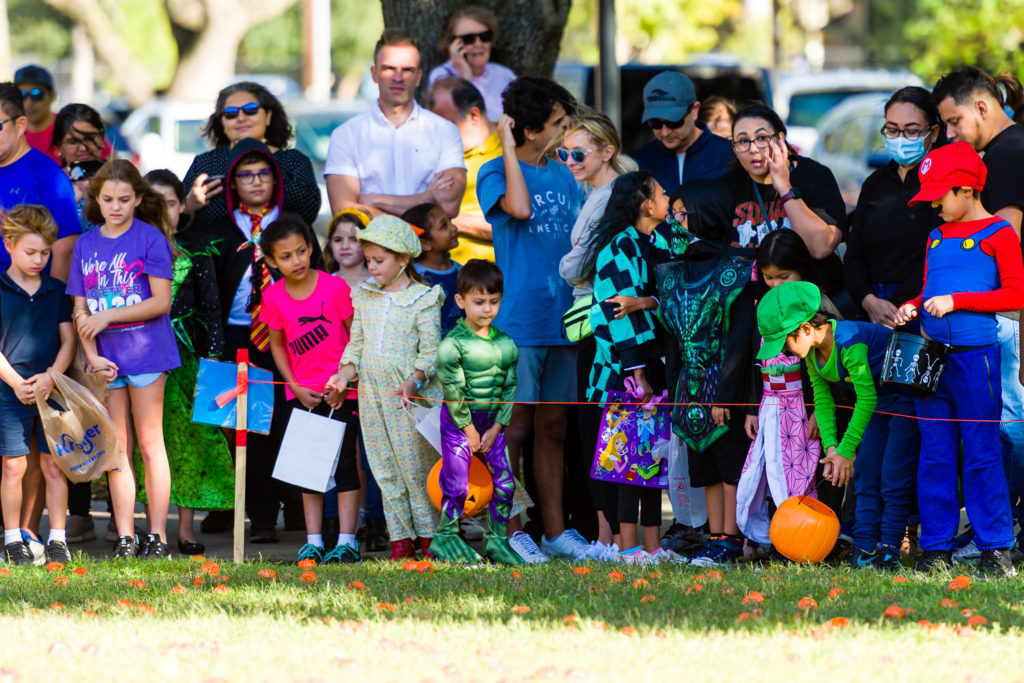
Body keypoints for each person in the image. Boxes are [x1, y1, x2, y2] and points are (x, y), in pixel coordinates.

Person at [895, 141, 1024, 576]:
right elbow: (932, 290)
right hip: (930, 359)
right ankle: (936, 547)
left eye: (939, 196)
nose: (934, 205)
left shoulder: (999, 234)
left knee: (983, 452)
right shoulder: (935, 235)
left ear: (967, 189)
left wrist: (958, 302)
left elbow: (1015, 295)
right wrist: (915, 304)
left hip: (976, 360)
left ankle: (995, 546)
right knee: (935, 454)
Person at [477, 76, 591, 563]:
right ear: (526, 130)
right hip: (519, 322)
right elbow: (519, 209)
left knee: (554, 427)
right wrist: (506, 144)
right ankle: (510, 529)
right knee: (513, 428)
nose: (567, 134)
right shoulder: (492, 173)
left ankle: (554, 530)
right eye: (557, 125)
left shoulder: (568, 173)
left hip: (565, 318)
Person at [200, 137, 324, 543]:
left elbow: (316, 278)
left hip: (290, 339)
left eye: (264, 173)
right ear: (232, 183)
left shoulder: (291, 227)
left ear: (276, 179)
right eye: (246, 175)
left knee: (291, 421)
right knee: (243, 428)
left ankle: (294, 505)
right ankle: (260, 516)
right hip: (236, 335)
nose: (256, 182)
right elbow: (208, 289)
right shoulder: (218, 231)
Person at [66, 159, 181, 559]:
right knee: (118, 450)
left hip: (147, 354)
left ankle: (158, 537)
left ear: (137, 199)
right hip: (106, 362)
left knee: (151, 446)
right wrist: (93, 356)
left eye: (124, 199)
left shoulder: (150, 238)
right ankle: (127, 535)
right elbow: (80, 310)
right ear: (96, 199)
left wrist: (109, 315)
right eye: (108, 199)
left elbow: (161, 301)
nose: (116, 207)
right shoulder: (85, 244)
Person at [932, 67, 1024, 554]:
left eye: (953, 122)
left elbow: (1000, 245)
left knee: (1002, 434)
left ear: (983, 108)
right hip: (988, 323)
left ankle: (1001, 535)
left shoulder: (1007, 156)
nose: (949, 134)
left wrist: (956, 298)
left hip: (997, 324)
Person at [328, 215, 443, 561]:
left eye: (379, 261)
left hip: (408, 397)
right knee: (382, 466)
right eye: (369, 261)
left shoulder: (423, 298)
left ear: (404, 259)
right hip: (371, 395)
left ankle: (429, 538)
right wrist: (344, 376)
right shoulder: (365, 296)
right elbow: (356, 345)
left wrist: (415, 379)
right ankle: (401, 540)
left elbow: (431, 350)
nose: (371, 268)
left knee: (414, 468)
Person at [131, 169, 233, 556]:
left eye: (171, 204)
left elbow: (212, 313)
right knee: (145, 445)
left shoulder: (197, 252)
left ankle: (184, 528)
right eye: (155, 204)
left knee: (188, 445)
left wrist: (213, 367)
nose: (163, 212)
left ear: (183, 207)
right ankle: (145, 525)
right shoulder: (132, 255)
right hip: (140, 360)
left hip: (187, 365)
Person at [655, 179, 756, 567]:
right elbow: (670, 341)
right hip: (687, 388)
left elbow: (739, 345)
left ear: (704, 216)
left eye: (682, 214)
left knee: (730, 465)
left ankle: (731, 537)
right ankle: (715, 535)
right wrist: (675, 392)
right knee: (705, 466)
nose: (674, 223)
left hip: (722, 391)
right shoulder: (670, 274)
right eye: (672, 214)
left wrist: (726, 397)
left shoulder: (735, 271)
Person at [555, 109, 636, 558]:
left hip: (602, 326)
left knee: (603, 426)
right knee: (605, 426)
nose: (570, 159)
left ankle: (610, 537)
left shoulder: (609, 198)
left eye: (579, 152)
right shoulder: (605, 192)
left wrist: (569, 267)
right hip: (604, 321)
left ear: (608, 151)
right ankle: (608, 534)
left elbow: (578, 265)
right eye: (565, 152)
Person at [581, 172, 673, 564]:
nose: (668, 196)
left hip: (654, 360)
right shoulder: (617, 247)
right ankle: (626, 545)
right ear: (645, 203)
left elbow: (674, 287)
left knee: (652, 453)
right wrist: (636, 371)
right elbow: (618, 310)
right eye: (662, 191)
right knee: (625, 458)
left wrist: (648, 302)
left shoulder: (660, 238)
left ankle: (653, 546)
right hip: (621, 368)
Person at [260, 215, 362, 565]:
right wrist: (294, 386)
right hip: (302, 396)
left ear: (311, 248)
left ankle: (347, 542)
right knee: (309, 470)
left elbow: (355, 336)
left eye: (302, 251)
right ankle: (314, 541)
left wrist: (346, 380)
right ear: (271, 261)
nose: (296, 261)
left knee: (347, 466)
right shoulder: (273, 297)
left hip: (343, 393)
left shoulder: (335, 289)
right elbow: (277, 343)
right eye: (286, 256)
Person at [431, 259, 523, 564]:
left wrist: (497, 427)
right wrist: (469, 430)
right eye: (479, 302)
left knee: (506, 483)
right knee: (457, 484)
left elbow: (509, 388)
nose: (487, 309)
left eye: (494, 302)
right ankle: (446, 537)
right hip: (459, 424)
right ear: (461, 301)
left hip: (492, 425)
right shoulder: (452, 345)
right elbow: (453, 391)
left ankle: (496, 539)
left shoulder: (507, 344)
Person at [736, 230, 822, 551]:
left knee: (801, 474)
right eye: (770, 278)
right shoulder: (761, 306)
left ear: (801, 268)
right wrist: (749, 407)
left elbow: (819, 366)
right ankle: (769, 538)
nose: (776, 285)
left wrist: (816, 409)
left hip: (802, 408)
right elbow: (750, 359)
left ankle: (803, 542)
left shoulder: (813, 307)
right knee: (767, 472)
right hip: (770, 405)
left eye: (784, 276)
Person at [0, 205, 75, 565]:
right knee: (13, 465)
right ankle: (13, 538)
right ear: (9, 244)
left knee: (53, 466)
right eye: (31, 252)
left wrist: (51, 377)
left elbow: (68, 341)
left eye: (46, 252)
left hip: (52, 390)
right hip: (9, 390)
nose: (39, 259)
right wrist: (15, 383)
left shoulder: (55, 290)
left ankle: (58, 538)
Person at [325, 29, 466, 219]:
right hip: (371, 249)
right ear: (374, 74)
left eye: (407, 70)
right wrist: (428, 198)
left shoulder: (445, 131)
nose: (398, 77)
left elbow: (448, 206)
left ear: (418, 77)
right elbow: (344, 211)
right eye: (389, 68)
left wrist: (375, 200)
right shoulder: (346, 135)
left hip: (430, 249)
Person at [721, 103, 846, 299]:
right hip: (755, 310)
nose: (753, 149)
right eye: (743, 141)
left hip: (814, 304)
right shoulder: (727, 187)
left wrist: (785, 187)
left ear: (780, 138)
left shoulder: (814, 176)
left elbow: (821, 247)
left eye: (762, 138)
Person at [844, 87, 942, 329]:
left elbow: (937, 255)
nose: (900, 138)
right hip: (870, 308)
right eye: (892, 129)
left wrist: (895, 306)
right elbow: (854, 253)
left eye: (911, 131)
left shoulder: (942, 183)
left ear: (933, 132)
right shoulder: (874, 184)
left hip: (920, 309)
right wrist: (868, 301)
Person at [322, 208, 389, 551]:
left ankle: (378, 522)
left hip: (374, 378)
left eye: (354, 238)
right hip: (333, 380)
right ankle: (336, 522)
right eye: (338, 238)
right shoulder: (322, 281)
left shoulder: (379, 281)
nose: (346, 245)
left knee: (372, 454)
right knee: (337, 453)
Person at [183, 82, 321, 234]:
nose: (241, 118)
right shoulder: (205, 164)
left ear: (268, 116)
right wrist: (189, 206)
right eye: (231, 113)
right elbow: (176, 224)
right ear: (221, 122)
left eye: (250, 110)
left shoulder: (293, 161)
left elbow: (308, 211)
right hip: (219, 256)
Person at [0, 82, 80, 281]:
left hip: (26, 304)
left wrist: (51, 308)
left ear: (20, 126)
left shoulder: (49, 177)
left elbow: (64, 252)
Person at [427, 77, 502, 263]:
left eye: (445, 125)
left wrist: (446, 220)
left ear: (474, 116)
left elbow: (522, 227)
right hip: (440, 277)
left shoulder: (513, 148)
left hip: (495, 279)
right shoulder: (430, 152)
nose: (437, 134)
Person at [631, 71, 735, 196]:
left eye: (674, 122)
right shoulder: (638, 162)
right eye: (655, 123)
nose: (665, 132)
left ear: (695, 111)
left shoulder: (730, 155)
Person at [429, 6, 517, 120]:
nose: (478, 44)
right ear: (453, 45)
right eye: (469, 39)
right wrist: (465, 78)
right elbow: (455, 118)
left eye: (484, 36)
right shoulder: (441, 77)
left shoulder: (505, 75)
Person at [404, 202, 462, 335]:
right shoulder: (414, 278)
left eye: (449, 220)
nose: (453, 227)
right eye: (444, 226)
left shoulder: (461, 272)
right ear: (424, 243)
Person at [14, 65, 59, 163]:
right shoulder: (8, 134)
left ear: (52, 95)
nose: (28, 103)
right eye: (21, 95)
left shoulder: (70, 129)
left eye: (36, 94)